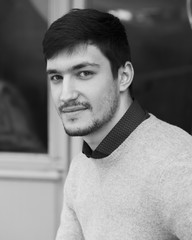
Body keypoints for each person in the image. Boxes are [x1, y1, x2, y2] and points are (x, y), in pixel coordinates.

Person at [42, 8, 192, 240]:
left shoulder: (177, 164)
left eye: (83, 73)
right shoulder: (81, 169)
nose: (65, 95)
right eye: (57, 78)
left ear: (123, 77)